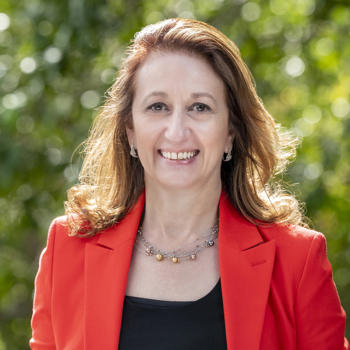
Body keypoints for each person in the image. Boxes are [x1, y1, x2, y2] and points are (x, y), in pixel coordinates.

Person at [30, 18, 348, 349]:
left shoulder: (298, 260)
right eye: (158, 107)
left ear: (230, 132)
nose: (177, 131)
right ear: (130, 131)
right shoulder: (67, 251)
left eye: (200, 107)